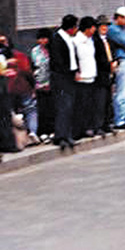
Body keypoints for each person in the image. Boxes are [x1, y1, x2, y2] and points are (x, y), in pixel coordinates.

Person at [50, 14, 79, 150]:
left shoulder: (69, 38)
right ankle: (60, 136)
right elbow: (57, 61)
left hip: (70, 75)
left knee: (69, 106)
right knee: (63, 106)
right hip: (61, 77)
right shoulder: (57, 39)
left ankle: (68, 134)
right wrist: (68, 72)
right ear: (71, 28)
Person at [74, 16, 98, 137]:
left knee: (90, 104)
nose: (94, 30)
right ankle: (81, 129)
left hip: (91, 75)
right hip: (82, 77)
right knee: (82, 105)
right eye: (93, 28)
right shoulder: (77, 40)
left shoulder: (90, 40)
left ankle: (89, 126)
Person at [30, 28, 54, 140]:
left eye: (44, 38)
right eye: (40, 39)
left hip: (52, 83)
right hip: (39, 83)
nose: (41, 41)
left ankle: (52, 130)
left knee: (52, 108)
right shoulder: (35, 51)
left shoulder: (53, 50)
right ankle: (43, 131)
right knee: (42, 109)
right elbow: (34, 67)